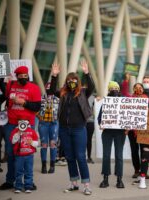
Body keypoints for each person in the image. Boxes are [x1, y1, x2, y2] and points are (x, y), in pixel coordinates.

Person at [51, 60, 94, 195]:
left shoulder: (82, 92)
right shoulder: (63, 93)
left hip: (79, 129)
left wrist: (87, 73)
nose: (72, 82)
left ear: (78, 81)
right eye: (69, 80)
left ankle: (86, 185)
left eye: (74, 80)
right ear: (66, 81)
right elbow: (51, 91)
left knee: (80, 156)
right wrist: (54, 76)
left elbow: (92, 87)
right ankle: (74, 183)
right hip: (64, 129)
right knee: (69, 157)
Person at [0, 66, 41, 190]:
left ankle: (28, 181)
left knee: (27, 152)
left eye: (25, 76)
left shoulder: (34, 88)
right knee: (11, 153)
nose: (23, 77)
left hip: (27, 125)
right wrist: (2, 78)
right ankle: (10, 181)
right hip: (11, 124)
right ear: (16, 76)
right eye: (20, 76)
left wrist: (24, 102)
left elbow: (37, 107)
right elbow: (3, 94)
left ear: (28, 76)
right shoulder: (11, 85)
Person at [97, 81, 126, 189]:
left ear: (119, 90)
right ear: (109, 90)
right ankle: (105, 178)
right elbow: (100, 117)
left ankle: (119, 179)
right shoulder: (106, 103)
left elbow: (129, 116)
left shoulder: (124, 102)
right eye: (112, 88)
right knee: (106, 155)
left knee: (119, 156)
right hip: (107, 132)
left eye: (116, 88)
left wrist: (127, 127)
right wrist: (101, 124)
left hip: (120, 132)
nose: (114, 90)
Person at [37, 64, 60, 174]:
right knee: (44, 144)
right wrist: (39, 115)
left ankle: (52, 166)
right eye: (48, 88)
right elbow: (35, 109)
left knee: (53, 143)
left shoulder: (59, 99)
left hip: (54, 123)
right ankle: (43, 166)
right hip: (43, 123)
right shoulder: (40, 98)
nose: (49, 90)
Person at [10, 119, 39, 193]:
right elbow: (13, 141)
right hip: (19, 155)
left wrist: (32, 142)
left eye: (25, 124)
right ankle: (18, 186)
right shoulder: (15, 131)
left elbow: (37, 143)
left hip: (29, 155)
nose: (23, 126)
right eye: (21, 124)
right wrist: (18, 134)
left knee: (28, 171)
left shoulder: (32, 131)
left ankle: (28, 186)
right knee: (18, 171)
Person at [127, 83, 149, 179]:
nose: (138, 89)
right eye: (136, 88)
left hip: (143, 129)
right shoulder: (130, 100)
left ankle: (144, 171)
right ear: (133, 89)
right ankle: (137, 170)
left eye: (140, 88)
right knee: (134, 150)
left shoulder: (147, 100)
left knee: (144, 151)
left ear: (143, 89)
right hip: (132, 130)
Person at [86, 94, 95, 164]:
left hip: (90, 121)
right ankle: (81, 157)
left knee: (89, 140)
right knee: (80, 140)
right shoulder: (77, 95)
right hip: (80, 122)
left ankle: (89, 157)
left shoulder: (93, 97)